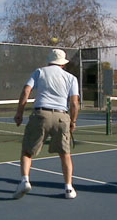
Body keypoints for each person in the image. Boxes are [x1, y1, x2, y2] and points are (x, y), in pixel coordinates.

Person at [13, 49, 80, 200]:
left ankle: (24, 180)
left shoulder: (39, 72)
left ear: (49, 61)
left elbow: (26, 91)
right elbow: (74, 103)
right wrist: (73, 121)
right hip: (62, 117)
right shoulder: (71, 78)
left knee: (27, 151)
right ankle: (69, 188)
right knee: (65, 154)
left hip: (40, 115)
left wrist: (19, 113)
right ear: (63, 63)